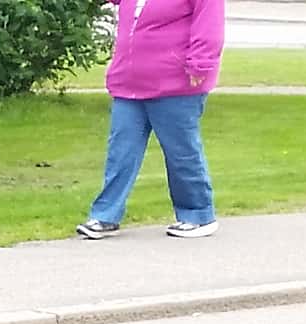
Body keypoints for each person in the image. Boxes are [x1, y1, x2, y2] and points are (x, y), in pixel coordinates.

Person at [83, 0, 226, 240]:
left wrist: (201, 64)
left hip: (175, 84)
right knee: (121, 153)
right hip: (129, 83)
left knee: (181, 152)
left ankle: (198, 215)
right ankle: (105, 215)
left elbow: (209, 25)